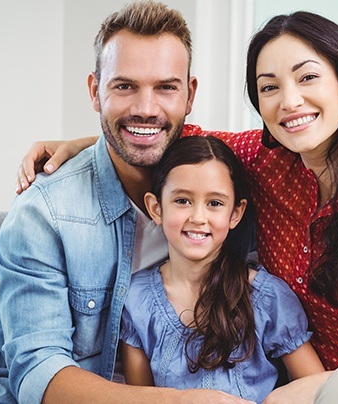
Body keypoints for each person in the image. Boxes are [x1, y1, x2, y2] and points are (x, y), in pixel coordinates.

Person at [16, 9, 338, 404]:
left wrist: (306, 391)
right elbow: (176, 140)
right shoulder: (268, 163)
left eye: (307, 78)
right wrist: (89, 142)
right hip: (311, 389)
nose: (290, 101)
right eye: (269, 87)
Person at [0, 2, 256, 403]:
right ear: (94, 91)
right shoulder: (43, 213)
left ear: (189, 95)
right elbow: (38, 376)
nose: (145, 108)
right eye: (124, 86)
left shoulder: (226, 186)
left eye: (166, 87)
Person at [120, 135, 326, 402]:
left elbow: (319, 389)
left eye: (214, 203)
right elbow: (141, 399)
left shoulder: (266, 298)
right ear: (156, 208)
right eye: (182, 200)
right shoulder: (137, 300)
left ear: (235, 214)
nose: (197, 217)